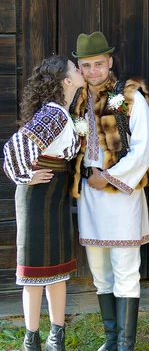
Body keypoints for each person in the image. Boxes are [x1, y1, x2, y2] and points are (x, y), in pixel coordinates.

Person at [71, 31, 149, 350]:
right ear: (78, 68)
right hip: (90, 197)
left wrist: (108, 177)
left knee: (125, 267)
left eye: (98, 63)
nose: (92, 71)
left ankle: (126, 343)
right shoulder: (76, 100)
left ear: (110, 62)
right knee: (99, 269)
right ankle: (111, 337)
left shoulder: (130, 95)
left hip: (122, 192)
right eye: (86, 65)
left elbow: (143, 149)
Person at [3, 55, 86, 350]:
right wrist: (24, 175)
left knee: (56, 269)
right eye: (75, 69)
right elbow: (15, 146)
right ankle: (31, 339)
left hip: (53, 195)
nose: (81, 71)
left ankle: (56, 337)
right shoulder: (54, 113)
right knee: (35, 271)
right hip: (37, 197)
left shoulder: (62, 112)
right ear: (66, 81)